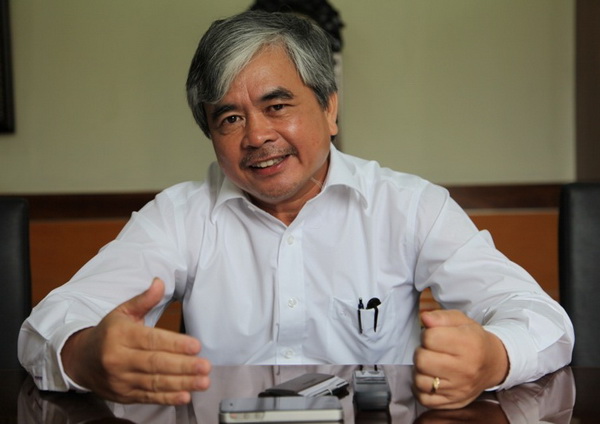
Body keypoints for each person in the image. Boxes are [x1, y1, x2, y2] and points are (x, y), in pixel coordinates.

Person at [18, 10, 573, 410]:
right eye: (229, 118)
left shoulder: (408, 206)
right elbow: (46, 325)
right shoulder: (179, 216)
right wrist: (85, 355)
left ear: (329, 108)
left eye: (277, 105)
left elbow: (543, 319)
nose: (257, 136)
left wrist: (493, 357)